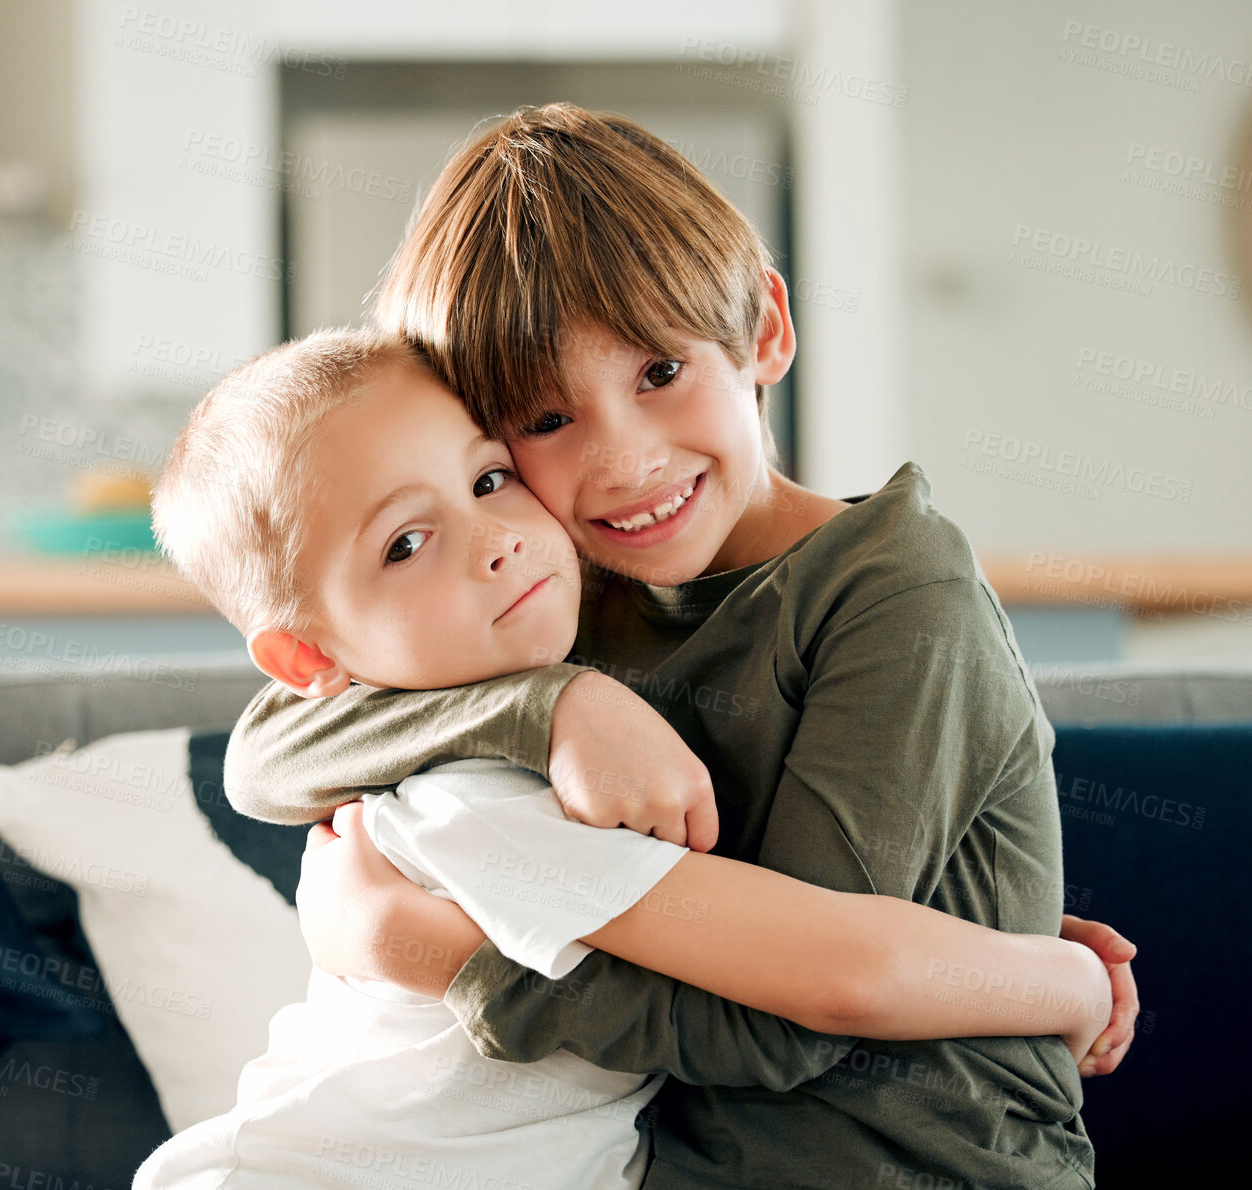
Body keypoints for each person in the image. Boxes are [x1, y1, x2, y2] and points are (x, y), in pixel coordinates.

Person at [223, 105, 1139, 1189]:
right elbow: (271, 746)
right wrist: (555, 708)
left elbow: (785, 1020)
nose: (624, 461)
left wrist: (424, 953)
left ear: (762, 330)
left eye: (658, 372)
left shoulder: (894, 588)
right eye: (545, 420)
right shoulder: (563, 585)